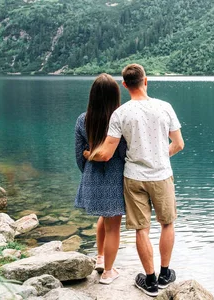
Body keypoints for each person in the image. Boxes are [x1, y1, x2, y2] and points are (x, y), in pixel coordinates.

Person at [85, 64, 184, 297]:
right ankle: (165, 274)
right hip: (161, 175)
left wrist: (90, 155)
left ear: (125, 85)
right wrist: (160, 155)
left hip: (133, 177)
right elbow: (179, 144)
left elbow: (107, 153)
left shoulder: (120, 113)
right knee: (167, 223)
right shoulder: (165, 107)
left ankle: (149, 281)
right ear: (146, 81)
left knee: (141, 228)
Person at [75, 73, 127, 285]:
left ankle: (100, 257)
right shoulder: (120, 119)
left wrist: (89, 170)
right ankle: (108, 272)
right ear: (115, 96)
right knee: (113, 224)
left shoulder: (82, 119)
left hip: (93, 175)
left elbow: (80, 155)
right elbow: (124, 153)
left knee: (104, 218)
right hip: (115, 177)